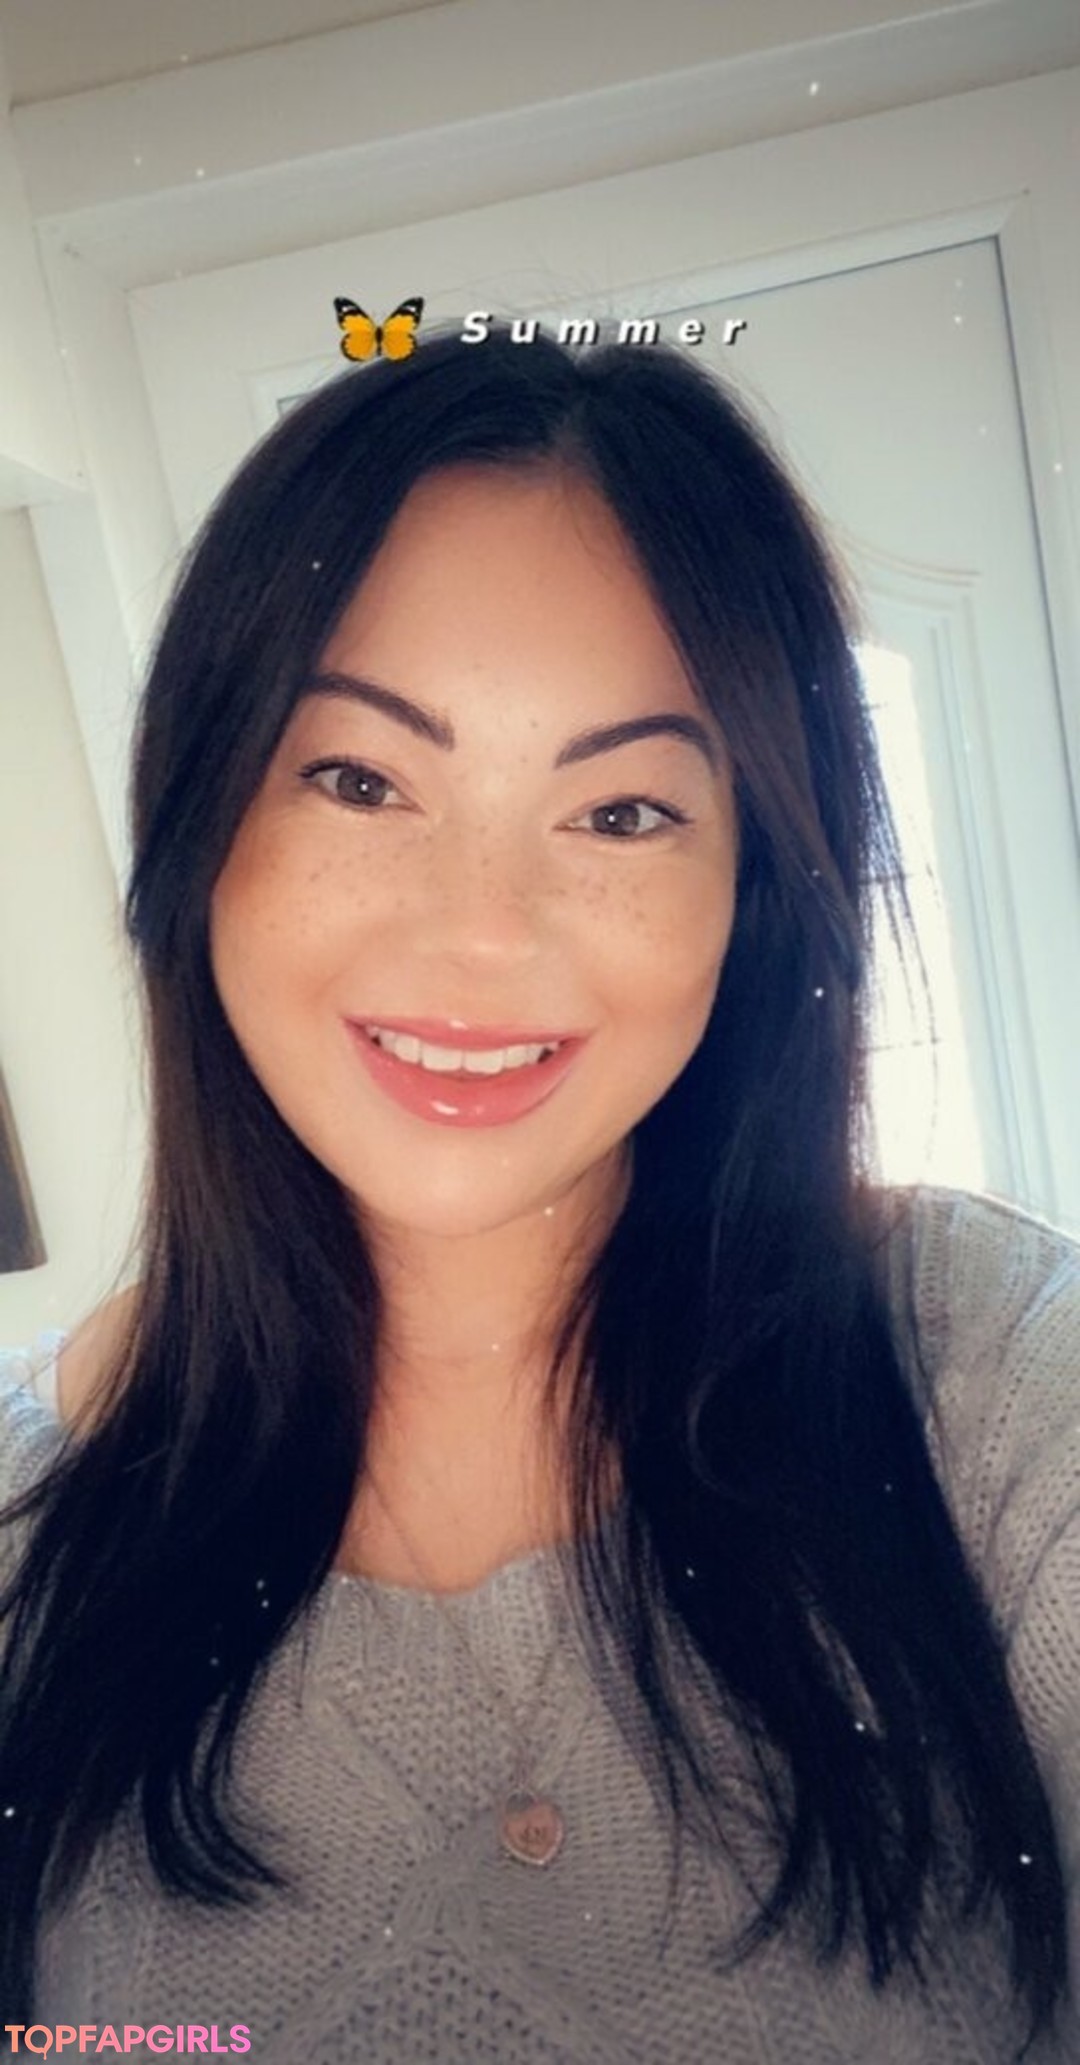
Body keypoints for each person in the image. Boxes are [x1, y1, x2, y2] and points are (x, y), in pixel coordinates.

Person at [1, 324, 1078, 2063]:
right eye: (360, 778)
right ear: (201, 826)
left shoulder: (998, 1383)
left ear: (754, 890)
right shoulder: (24, 1533)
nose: (481, 936)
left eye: (624, 812)